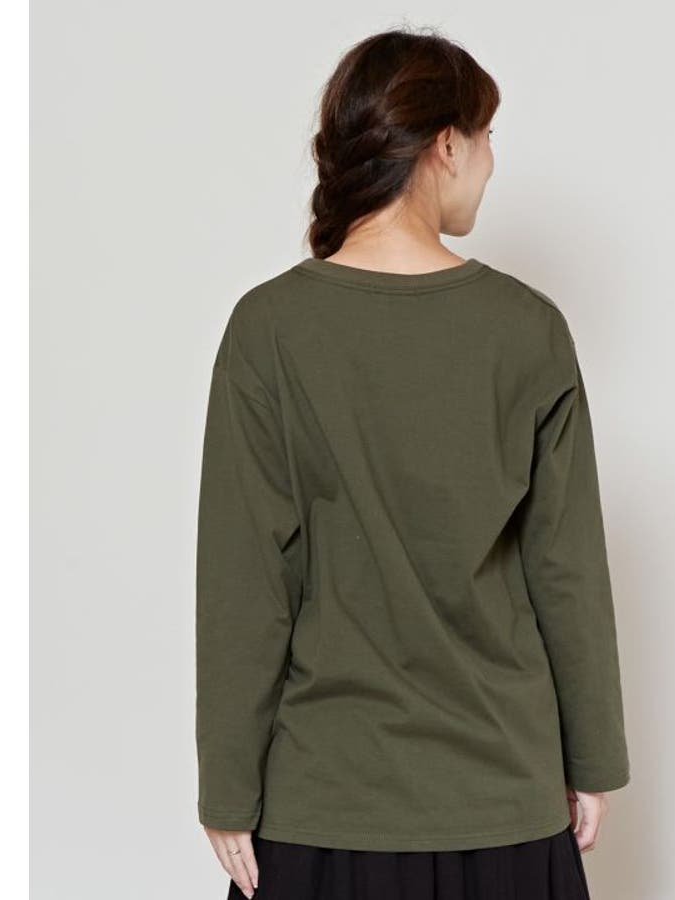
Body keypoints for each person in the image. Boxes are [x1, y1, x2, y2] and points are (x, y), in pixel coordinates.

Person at [195, 25, 630, 900]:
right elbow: (565, 569)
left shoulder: (269, 329)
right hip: (501, 799)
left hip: (324, 803)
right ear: (446, 145)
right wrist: (593, 759)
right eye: (487, 137)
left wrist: (228, 788)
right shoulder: (528, 330)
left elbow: (247, 580)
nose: (492, 163)